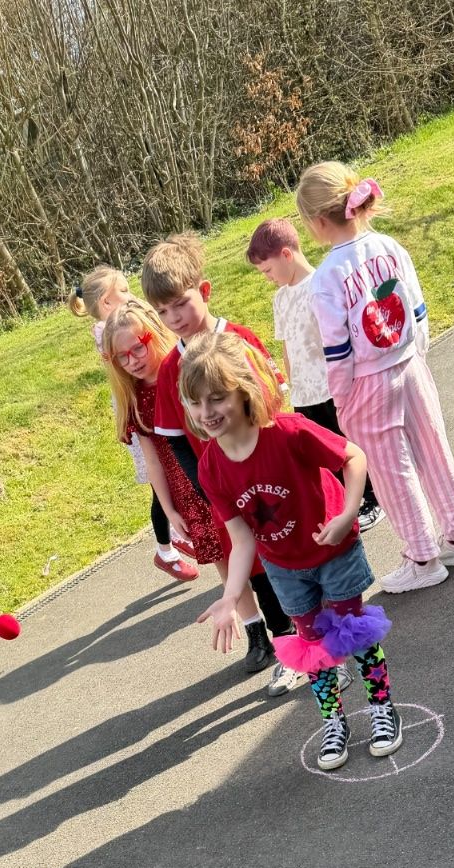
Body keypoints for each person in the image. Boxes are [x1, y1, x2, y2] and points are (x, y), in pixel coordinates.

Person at [184, 330, 403, 771]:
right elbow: (242, 538)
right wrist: (230, 595)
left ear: (243, 391)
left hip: (333, 550)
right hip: (285, 567)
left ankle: (382, 707)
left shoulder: (287, 432)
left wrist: (349, 510)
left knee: (354, 633)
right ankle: (334, 721)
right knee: (311, 647)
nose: (206, 412)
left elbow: (353, 457)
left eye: (217, 398)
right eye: (195, 402)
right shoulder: (210, 467)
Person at [298, 162, 454, 594]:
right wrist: (416, 356)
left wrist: (342, 399)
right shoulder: (388, 246)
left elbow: (338, 350)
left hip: (367, 381)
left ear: (318, 221)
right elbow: (418, 310)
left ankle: (422, 556)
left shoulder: (327, 277)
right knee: (433, 449)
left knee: (390, 470)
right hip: (410, 365)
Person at [140, 233, 296, 682]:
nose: (175, 318)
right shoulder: (170, 370)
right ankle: (285, 646)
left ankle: (316, 636)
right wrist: (210, 491)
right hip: (226, 492)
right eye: (163, 311)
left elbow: (274, 404)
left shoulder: (239, 340)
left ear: (204, 291)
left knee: (291, 554)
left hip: (269, 477)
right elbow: (175, 440)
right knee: (256, 568)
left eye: (181, 304)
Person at [102, 299, 269, 652]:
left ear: (153, 333)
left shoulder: (185, 371)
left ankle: (287, 615)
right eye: (123, 357)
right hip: (187, 491)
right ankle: (254, 629)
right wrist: (169, 510)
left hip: (219, 472)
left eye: (138, 348)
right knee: (223, 558)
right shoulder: (134, 400)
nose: (134, 361)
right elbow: (153, 462)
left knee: (257, 542)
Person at [245, 217, 382, 531]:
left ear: (286, 255)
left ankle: (372, 498)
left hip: (331, 387)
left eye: (268, 270)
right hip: (304, 393)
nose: (267, 278)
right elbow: (287, 346)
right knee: (323, 453)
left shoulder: (320, 285)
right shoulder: (281, 298)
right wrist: (289, 385)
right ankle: (344, 504)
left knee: (347, 445)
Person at [69, 266, 198, 583]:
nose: (131, 296)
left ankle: (170, 542)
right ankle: (168, 546)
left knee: (168, 476)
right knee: (160, 477)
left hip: (145, 411)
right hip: (141, 415)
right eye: (124, 292)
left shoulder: (117, 328)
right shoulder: (108, 330)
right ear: (106, 302)